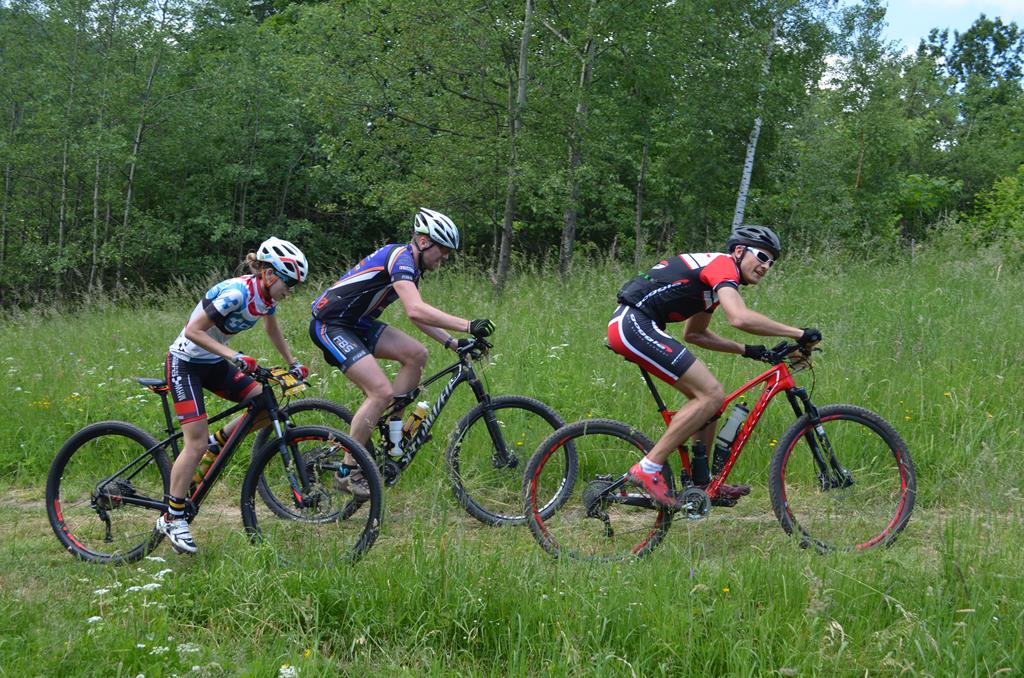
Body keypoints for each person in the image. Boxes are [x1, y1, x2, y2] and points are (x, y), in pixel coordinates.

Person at [607, 225, 820, 508]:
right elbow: (739, 317)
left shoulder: (711, 287)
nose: (766, 266)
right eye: (761, 256)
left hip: (637, 325)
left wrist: (748, 350)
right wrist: (798, 333)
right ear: (739, 251)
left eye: (771, 262)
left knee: (711, 401)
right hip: (634, 323)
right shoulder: (723, 266)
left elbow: (695, 334)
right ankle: (648, 469)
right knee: (711, 394)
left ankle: (702, 484)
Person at [309, 208, 494, 497]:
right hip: (330, 324)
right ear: (424, 241)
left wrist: (453, 343)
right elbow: (415, 309)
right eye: (443, 249)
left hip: (357, 324)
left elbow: (418, 317)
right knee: (380, 393)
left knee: (416, 354)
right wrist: (468, 325)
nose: (446, 257)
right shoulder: (400, 258)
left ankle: (393, 435)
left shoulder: (411, 267)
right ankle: (347, 472)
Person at [155, 237, 310, 553]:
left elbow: (271, 329)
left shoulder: (265, 297)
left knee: (264, 405)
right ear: (269, 274)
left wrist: (292, 363)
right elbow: (193, 330)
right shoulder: (237, 293)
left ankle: (218, 442)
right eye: (290, 282)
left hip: (212, 363)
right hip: (185, 362)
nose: (291, 290)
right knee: (195, 442)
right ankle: (172, 517)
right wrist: (234, 355)